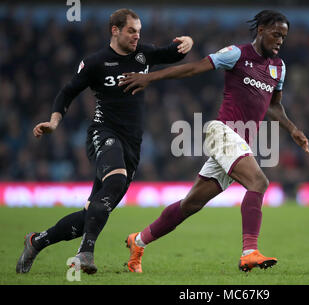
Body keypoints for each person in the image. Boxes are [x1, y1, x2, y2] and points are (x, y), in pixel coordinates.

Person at [118, 10, 309, 273]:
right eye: (276, 34)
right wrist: (149, 78)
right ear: (261, 30)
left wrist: (293, 129)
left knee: (191, 205)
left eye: (284, 37)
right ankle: (249, 252)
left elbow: (274, 106)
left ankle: (137, 241)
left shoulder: (279, 67)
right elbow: (193, 68)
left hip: (240, 144)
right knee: (259, 182)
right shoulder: (236, 54)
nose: (280, 41)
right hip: (222, 133)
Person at [16, 8, 193, 274]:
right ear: (115, 30)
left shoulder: (144, 54)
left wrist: (188, 42)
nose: (136, 36)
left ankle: (37, 241)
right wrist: (53, 122)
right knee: (116, 180)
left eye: (139, 32)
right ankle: (85, 254)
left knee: (94, 212)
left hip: (132, 143)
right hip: (104, 132)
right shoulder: (96, 62)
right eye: (131, 31)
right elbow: (67, 92)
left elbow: (173, 52)